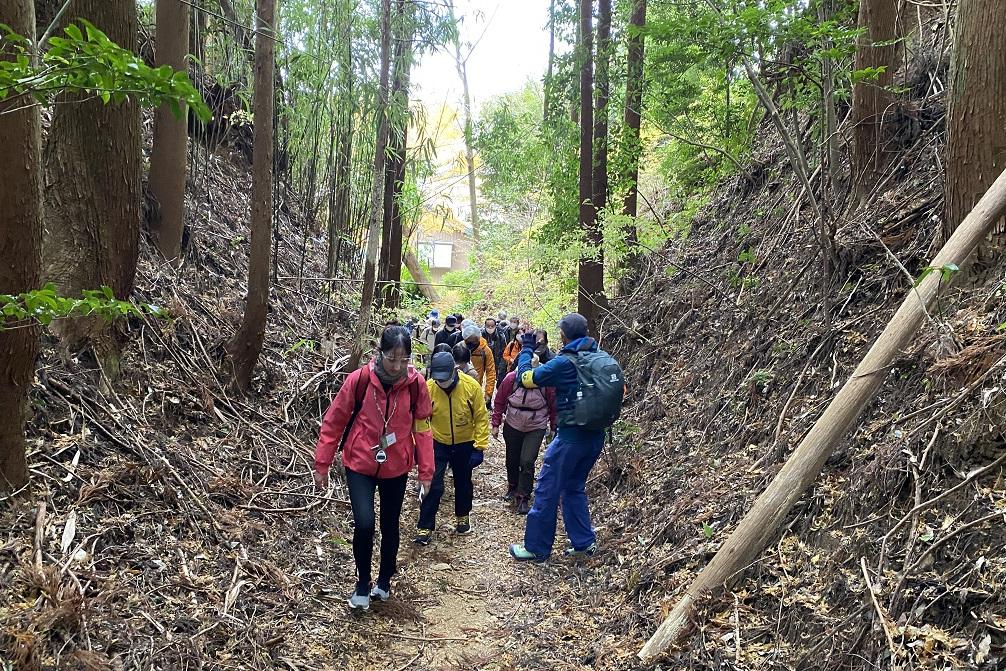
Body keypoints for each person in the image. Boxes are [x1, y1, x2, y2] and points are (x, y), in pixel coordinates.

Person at [314, 326, 434, 610]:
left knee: (391, 526)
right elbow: (334, 421)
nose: (397, 365)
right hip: (360, 463)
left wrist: (426, 472)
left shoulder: (416, 386)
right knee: (365, 523)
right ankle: (362, 583)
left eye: (403, 359)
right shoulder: (360, 380)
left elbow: (423, 429)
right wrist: (323, 463)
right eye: (392, 358)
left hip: (396, 465)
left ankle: (384, 581)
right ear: (380, 353)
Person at [509, 313, 610, 562]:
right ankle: (584, 543)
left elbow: (526, 379)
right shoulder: (601, 357)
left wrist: (526, 350)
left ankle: (536, 547)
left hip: (570, 437)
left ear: (564, 335)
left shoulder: (564, 363)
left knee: (547, 488)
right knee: (573, 487)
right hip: (596, 436)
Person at [416, 352, 490, 545]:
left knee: (463, 482)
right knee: (432, 483)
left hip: (465, 442)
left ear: (455, 371)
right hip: (438, 441)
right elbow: (421, 420)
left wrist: (479, 447)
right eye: (439, 379)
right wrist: (420, 446)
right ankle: (425, 526)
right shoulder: (429, 388)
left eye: (446, 378)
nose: (442, 382)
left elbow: (481, 418)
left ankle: (463, 516)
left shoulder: (470, 386)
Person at [492, 356, 556, 515]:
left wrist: (554, 427)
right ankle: (512, 487)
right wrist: (496, 422)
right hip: (513, 424)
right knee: (512, 459)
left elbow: (554, 405)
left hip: (536, 426)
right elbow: (499, 401)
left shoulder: (546, 382)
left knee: (527, 460)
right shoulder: (511, 379)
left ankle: (523, 496)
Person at [461, 323, 496, 405]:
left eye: (472, 341)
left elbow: (491, 372)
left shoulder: (485, 351)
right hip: (460, 387)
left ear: (478, 339)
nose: (470, 344)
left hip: (476, 387)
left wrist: (488, 393)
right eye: (468, 341)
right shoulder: (460, 347)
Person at [482, 318, 508, 389]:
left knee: (493, 383)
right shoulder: (480, 334)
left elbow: (504, 352)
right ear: (485, 325)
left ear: (495, 325)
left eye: (492, 326)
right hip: (482, 362)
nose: (490, 327)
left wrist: (501, 368)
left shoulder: (501, 335)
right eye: (488, 325)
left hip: (496, 362)